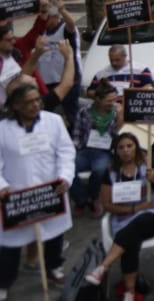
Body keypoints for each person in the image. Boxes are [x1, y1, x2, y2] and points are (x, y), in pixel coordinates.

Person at [0, 81, 74, 295]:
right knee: (11, 244)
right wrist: (2, 186)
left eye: (37, 100)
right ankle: (4, 283)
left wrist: (65, 177)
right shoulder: (2, 129)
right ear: (16, 105)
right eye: (28, 102)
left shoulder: (54, 121)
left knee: (53, 235)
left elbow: (66, 152)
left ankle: (53, 268)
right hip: (17, 196)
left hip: (51, 192)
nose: (35, 105)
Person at [86, 133, 154, 300]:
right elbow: (107, 205)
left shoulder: (150, 163)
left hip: (153, 212)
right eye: (121, 148)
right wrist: (135, 208)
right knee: (130, 239)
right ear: (116, 151)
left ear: (136, 147)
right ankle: (129, 292)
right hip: (124, 215)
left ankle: (104, 266)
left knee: (136, 226)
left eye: (129, 146)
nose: (126, 150)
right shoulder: (111, 172)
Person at [69, 79, 120, 215]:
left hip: (104, 151)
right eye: (109, 101)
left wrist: (120, 118)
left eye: (114, 100)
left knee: (100, 170)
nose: (112, 103)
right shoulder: (84, 112)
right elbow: (77, 134)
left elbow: (120, 136)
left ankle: (93, 198)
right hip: (85, 149)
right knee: (68, 168)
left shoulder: (116, 114)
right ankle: (81, 199)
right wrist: (74, 151)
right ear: (98, 99)